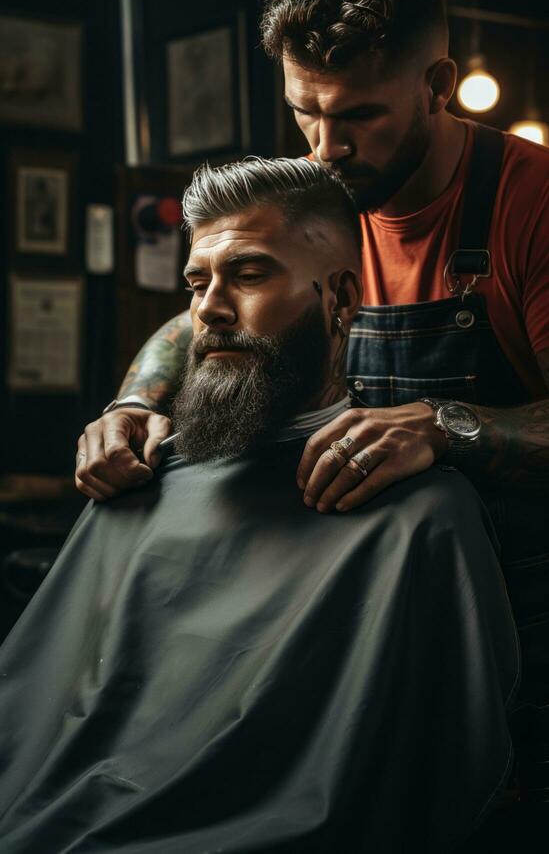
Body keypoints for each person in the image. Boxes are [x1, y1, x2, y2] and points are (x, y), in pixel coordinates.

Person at [0, 158, 519, 853]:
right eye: (196, 282)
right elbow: (32, 719)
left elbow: (420, 785)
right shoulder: (148, 481)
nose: (209, 309)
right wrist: (130, 400)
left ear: (340, 299)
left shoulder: (419, 519)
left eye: (247, 275)